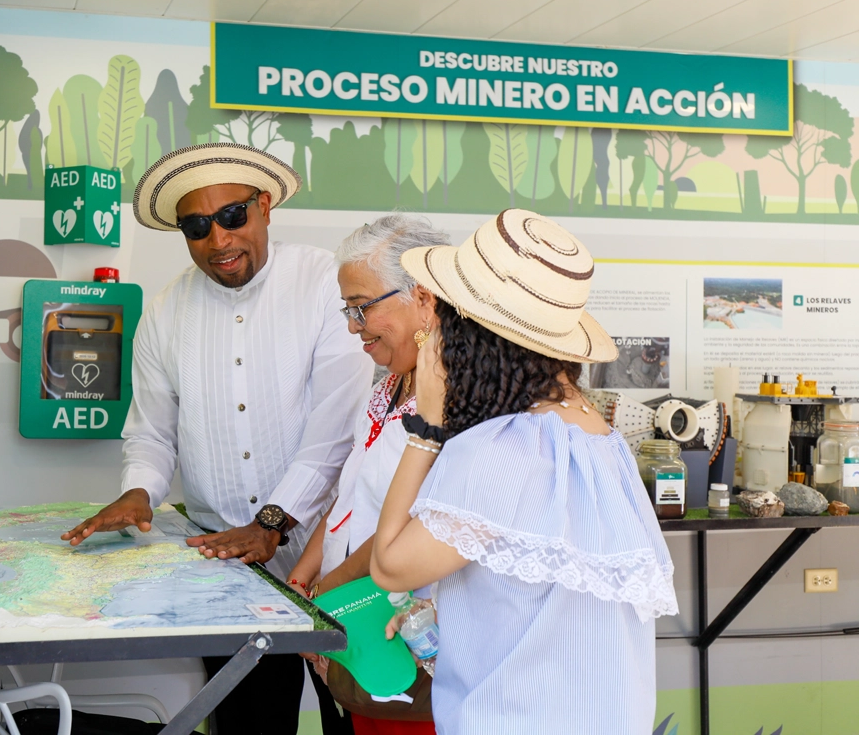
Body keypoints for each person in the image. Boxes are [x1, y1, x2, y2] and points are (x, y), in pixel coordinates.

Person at [62, 143, 373, 734]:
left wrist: (272, 522)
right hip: (228, 567)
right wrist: (139, 492)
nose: (219, 240)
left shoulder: (324, 285)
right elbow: (151, 434)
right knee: (251, 721)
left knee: (353, 713)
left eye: (232, 215)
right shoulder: (164, 313)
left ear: (264, 207)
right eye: (197, 227)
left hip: (333, 556)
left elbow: (335, 434)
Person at [371, 209, 678, 733]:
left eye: (442, 323)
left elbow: (390, 566)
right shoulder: (601, 439)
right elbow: (541, 596)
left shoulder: (505, 447)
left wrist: (427, 429)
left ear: (474, 338)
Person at [286, 214, 449, 735]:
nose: (354, 327)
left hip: (412, 639)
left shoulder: (452, 402)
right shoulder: (386, 389)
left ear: (423, 297)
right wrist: (303, 579)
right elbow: (350, 497)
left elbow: (416, 528)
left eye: (363, 307)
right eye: (348, 310)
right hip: (358, 623)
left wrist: (327, 598)